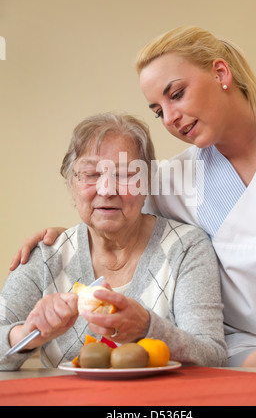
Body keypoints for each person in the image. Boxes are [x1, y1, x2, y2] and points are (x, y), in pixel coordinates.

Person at [11, 26, 256, 368]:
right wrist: (63, 242)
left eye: (176, 94)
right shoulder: (170, 178)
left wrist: (255, 370)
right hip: (235, 360)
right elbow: (113, 213)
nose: (171, 118)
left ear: (221, 73)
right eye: (158, 111)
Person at [0, 112, 226, 370]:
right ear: (71, 184)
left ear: (147, 182)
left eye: (125, 175)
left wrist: (146, 327)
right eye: (92, 174)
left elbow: (212, 356)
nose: (107, 189)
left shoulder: (185, 247)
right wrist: (26, 335)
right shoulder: (46, 255)